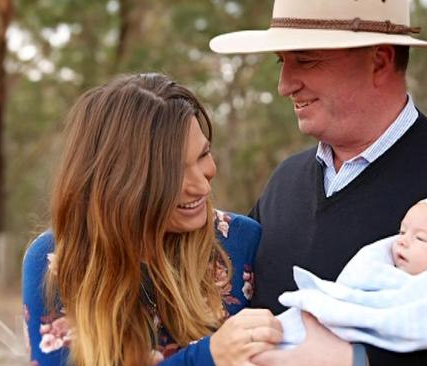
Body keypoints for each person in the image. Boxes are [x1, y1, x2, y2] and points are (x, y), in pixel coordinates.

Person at [209, 0, 427, 365]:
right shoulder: (283, 184)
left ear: (380, 61)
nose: (284, 84)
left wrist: (358, 359)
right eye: (281, 62)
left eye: (305, 60)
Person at [21, 73, 282, 366]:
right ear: (120, 182)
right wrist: (207, 357)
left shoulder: (242, 242)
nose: (202, 186)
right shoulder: (57, 260)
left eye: (203, 154)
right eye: (172, 173)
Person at [277, 194, 427, 352]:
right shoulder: (379, 272)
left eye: (420, 238)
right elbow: (354, 296)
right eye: (402, 231)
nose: (402, 241)